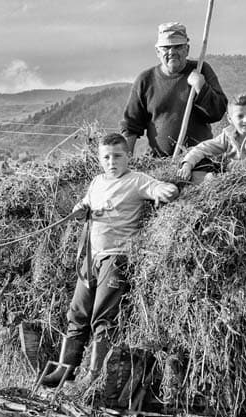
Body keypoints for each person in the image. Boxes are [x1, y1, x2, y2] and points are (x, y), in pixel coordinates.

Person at [40, 132, 179, 387]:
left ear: (128, 156)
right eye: (106, 157)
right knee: (77, 313)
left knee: (102, 317)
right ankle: (64, 369)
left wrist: (166, 189)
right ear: (99, 159)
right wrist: (79, 211)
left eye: (117, 156)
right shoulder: (96, 182)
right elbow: (82, 207)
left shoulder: (136, 181)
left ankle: (95, 375)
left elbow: (156, 187)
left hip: (116, 258)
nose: (112, 161)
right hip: (91, 259)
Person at [120, 22, 229, 163]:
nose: (172, 52)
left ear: (187, 49)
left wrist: (201, 87)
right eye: (166, 47)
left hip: (199, 160)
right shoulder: (145, 80)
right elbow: (131, 126)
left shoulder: (201, 69)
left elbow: (218, 112)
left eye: (177, 46)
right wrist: (125, 163)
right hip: (159, 163)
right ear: (158, 52)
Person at [176, 94, 246, 182]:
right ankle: (209, 179)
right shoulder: (228, 135)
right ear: (230, 119)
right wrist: (187, 164)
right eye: (240, 116)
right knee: (201, 168)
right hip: (234, 175)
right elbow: (203, 148)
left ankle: (213, 180)